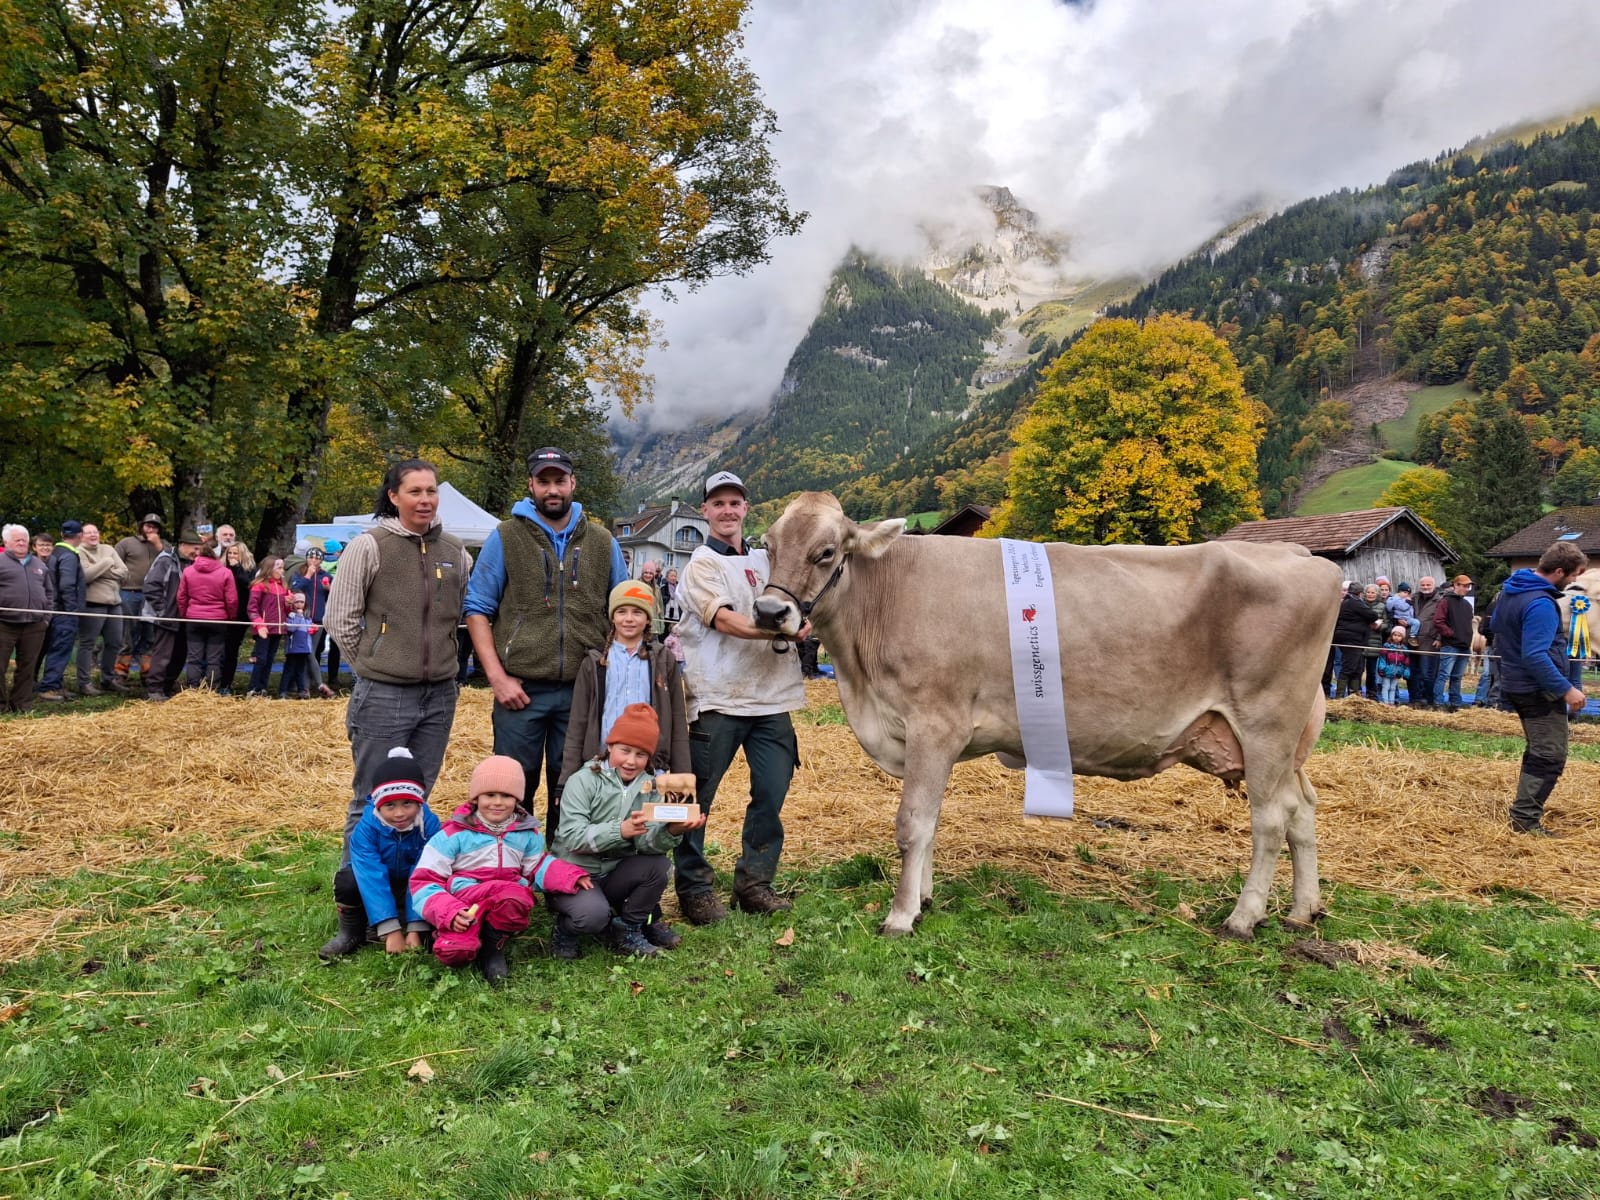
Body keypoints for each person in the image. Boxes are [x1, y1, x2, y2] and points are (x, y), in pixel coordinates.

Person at [321, 459, 472, 958]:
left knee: (417, 799)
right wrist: (373, 663)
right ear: (394, 496)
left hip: (439, 693)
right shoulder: (370, 546)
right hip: (383, 691)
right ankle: (355, 915)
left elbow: (461, 618)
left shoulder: (456, 553)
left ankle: (415, 908)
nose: (425, 499)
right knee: (370, 800)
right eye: (415, 491)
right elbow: (339, 617)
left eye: (431, 491)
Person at [672, 470, 809, 925]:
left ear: (746, 508)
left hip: (772, 699)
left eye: (735, 503)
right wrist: (785, 627)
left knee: (771, 795)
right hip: (715, 699)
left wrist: (804, 623)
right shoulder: (701, 565)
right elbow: (725, 621)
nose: (727, 511)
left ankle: (754, 883)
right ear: (705, 511)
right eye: (718, 504)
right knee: (695, 798)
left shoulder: (767, 561)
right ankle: (693, 889)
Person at [464, 447, 627, 828]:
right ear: (531, 485)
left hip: (583, 687)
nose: (552, 489)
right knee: (512, 785)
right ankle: (510, 873)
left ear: (573, 483)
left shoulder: (604, 542)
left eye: (559, 481)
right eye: (543, 481)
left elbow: (624, 609)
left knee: (572, 786)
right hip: (519, 689)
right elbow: (476, 609)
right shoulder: (505, 536)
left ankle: (563, 874)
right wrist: (497, 678)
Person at [408, 754, 591, 984]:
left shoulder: (527, 834)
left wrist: (570, 876)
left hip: (506, 898)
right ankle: (456, 933)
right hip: (465, 901)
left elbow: (536, 866)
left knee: (514, 895)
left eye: (506, 796)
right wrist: (450, 911)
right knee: (455, 953)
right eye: (489, 795)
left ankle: (494, 945)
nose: (497, 802)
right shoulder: (453, 834)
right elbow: (424, 880)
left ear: (517, 800)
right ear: (476, 798)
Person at [549, 703, 705, 958]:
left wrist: (674, 830)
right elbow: (571, 838)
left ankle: (628, 928)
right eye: (625, 750)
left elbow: (647, 846)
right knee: (593, 917)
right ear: (609, 746)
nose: (632, 761)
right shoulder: (582, 780)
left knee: (658, 866)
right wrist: (620, 830)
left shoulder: (651, 787)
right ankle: (566, 929)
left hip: (614, 873)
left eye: (641, 755)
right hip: (575, 872)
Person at [1491, 543, 1589, 835]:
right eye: (1572, 575)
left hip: (1516, 683)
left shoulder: (1511, 592)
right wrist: (1566, 689)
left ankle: (1524, 811)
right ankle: (1524, 820)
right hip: (1538, 689)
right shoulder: (1540, 603)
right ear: (1559, 571)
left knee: (1538, 750)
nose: (1573, 581)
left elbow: (1496, 626)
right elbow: (1534, 654)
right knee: (1550, 755)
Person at [559, 580, 691, 786]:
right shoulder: (595, 662)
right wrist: (565, 779)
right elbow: (578, 723)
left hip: (649, 767)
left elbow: (677, 720)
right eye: (622, 612)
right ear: (612, 617)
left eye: (637, 612)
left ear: (648, 618)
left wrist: (681, 780)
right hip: (601, 766)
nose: (629, 619)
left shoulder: (663, 660)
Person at [333, 747, 443, 957]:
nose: (399, 813)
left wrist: (415, 927)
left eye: (408, 804)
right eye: (390, 805)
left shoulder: (430, 826)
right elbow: (371, 874)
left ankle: (421, 925)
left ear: (419, 801)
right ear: (377, 805)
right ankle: (353, 931)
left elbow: (424, 873)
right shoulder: (365, 830)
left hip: (412, 885)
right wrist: (391, 930)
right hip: (379, 883)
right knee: (348, 881)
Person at [142, 527, 203, 701]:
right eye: (194, 548)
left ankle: (167, 686)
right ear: (183, 545)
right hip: (166, 617)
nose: (197, 552)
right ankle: (154, 689)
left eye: (199, 549)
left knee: (180, 654)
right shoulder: (166, 560)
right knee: (162, 654)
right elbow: (151, 586)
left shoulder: (193, 563)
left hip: (185, 616)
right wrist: (163, 610)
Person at [0, 524, 53, 713]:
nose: (22, 542)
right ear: (6, 542)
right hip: (4, 624)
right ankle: (1, 705)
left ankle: (21, 704)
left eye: (24, 539)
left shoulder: (39, 565)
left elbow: (49, 593)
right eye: (17, 539)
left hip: (34, 625)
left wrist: (46, 618)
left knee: (27, 668)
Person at [176, 536, 239, 690]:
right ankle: (212, 688)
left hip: (194, 618)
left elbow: (181, 596)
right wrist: (230, 617)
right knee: (214, 658)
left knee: (194, 658)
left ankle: (192, 688)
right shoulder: (225, 572)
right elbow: (231, 600)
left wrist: (185, 614)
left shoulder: (188, 571)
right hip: (217, 620)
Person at [75, 524, 128, 696]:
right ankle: (84, 683)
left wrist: (99, 569)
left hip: (115, 604)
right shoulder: (79, 551)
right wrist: (108, 563)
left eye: (95, 532)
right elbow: (86, 576)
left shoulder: (108, 548)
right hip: (93, 604)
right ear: (81, 536)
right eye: (88, 532)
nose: (92, 535)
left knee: (115, 643)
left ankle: (108, 679)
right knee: (87, 644)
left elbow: (124, 572)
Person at [38, 520, 87, 701]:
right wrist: (73, 610)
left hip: (55, 609)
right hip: (65, 612)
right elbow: (67, 585)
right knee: (60, 650)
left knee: (55, 649)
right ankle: (49, 687)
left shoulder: (56, 553)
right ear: (80, 535)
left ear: (61, 534)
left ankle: (56, 684)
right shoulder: (68, 556)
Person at [114, 514, 165, 686]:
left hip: (154, 596)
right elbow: (113, 565)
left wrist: (158, 545)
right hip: (129, 592)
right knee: (126, 635)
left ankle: (147, 672)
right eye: (147, 526)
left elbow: (173, 562)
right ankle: (120, 673)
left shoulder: (164, 546)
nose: (150, 530)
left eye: (154, 527)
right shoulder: (126, 543)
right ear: (141, 526)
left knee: (150, 635)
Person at [290, 548, 338, 697]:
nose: (314, 561)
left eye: (317, 558)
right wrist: (308, 576)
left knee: (311, 652)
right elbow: (295, 589)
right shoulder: (299, 573)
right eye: (311, 558)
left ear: (321, 560)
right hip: (302, 619)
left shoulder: (326, 576)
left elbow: (337, 596)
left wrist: (329, 588)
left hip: (318, 620)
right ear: (307, 559)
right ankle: (312, 685)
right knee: (306, 652)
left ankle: (305, 686)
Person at [245, 558, 293, 697]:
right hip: (264, 628)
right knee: (261, 659)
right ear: (269, 568)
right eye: (278, 567)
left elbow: (286, 611)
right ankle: (253, 688)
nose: (281, 570)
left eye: (282, 568)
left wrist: (289, 604)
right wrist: (259, 624)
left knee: (270, 659)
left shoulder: (283, 587)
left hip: (278, 629)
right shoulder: (259, 585)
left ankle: (262, 687)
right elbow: (252, 608)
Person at [217, 541, 256, 694]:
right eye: (230, 553)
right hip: (221, 613)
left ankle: (226, 684)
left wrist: (236, 569)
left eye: (235, 553)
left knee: (231, 650)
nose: (232, 556)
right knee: (218, 650)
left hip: (240, 615)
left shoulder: (250, 570)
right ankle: (214, 681)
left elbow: (248, 586)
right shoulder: (219, 568)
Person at [1432, 574, 1475, 711]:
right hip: (1450, 645)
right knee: (1444, 675)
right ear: (1456, 585)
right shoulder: (1445, 601)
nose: (1467, 589)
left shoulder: (1467, 605)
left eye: (1468, 586)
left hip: (1464, 645)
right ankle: (1438, 703)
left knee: (1457, 677)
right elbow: (1438, 621)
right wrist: (1451, 634)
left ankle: (1455, 703)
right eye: (1464, 586)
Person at [1332, 583, 1380, 699]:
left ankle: (1354, 696)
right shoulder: (1355, 602)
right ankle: (1340, 697)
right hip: (1352, 639)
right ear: (1360, 593)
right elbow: (1372, 615)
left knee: (1357, 668)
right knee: (1349, 667)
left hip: (1354, 639)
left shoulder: (1346, 602)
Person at [1411, 576, 1442, 709]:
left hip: (1430, 641)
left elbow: (1443, 620)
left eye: (1428, 585)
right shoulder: (1414, 598)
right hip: (1413, 640)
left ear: (1434, 586)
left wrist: (1439, 638)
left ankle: (1428, 699)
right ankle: (1415, 698)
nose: (1425, 587)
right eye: (1423, 585)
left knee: (1427, 673)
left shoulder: (1440, 601)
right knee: (1413, 672)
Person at [282, 594, 316, 699]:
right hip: (293, 648)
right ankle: (283, 691)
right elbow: (291, 629)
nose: (299, 604)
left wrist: (312, 629)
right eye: (297, 602)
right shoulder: (290, 616)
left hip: (304, 648)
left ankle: (301, 691)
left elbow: (308, 630)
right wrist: (298, 616)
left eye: (302, 602)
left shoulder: (307, 618)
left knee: (300, 670)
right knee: (289, 670)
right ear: (293, 604)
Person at [1376, 625, 1411, 705]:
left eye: (1399, 636)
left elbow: (1406, 662)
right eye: (1395, 635)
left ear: (1402, 637)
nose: (1396, 637)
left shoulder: (1404, 649)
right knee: (1386, 686)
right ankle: (1385, 702)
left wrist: (1406, 671)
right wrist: (1382, 668)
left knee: (1393, 688)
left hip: (1397, 672)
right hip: (1387, 670)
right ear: (1391, 635)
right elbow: (1382, 659)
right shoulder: (1386, 646)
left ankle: (1391, 703)